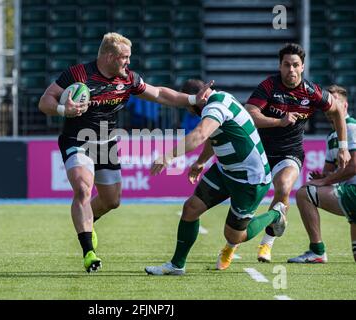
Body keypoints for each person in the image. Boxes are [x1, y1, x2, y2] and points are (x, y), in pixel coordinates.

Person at [38, 32, 212, 273]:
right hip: (77, 140)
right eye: (125, 57)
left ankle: (88, 223)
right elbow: (44, 100)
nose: (128, 62)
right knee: (83, 189)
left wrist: (193, 97)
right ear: (110, 57)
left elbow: (160, 93)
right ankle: (89, 251)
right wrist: (61, 109)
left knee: (112, 201)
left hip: (106, 143)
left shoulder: (128, 79)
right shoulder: (78, 74)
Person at [145, 85, 287, 275]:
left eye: (191, 105)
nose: (191, 110)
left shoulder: (216, 106)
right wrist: (201, 161)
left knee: (234, 236)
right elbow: (214, 136)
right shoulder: (217, 102)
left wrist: (169, 156)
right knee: (191, 208)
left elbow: (200, 134)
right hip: (225, 170)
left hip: (250, 179)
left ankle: (275, 214)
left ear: (200, 97)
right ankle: (177, 265)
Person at [244, 43, 351, 263]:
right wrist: (278, 121)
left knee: (284, 187)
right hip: (261, 152)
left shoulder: (311, 91)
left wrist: (342, 146)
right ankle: (232, 243)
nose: (291, 69)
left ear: (302, 67)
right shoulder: (269, 86)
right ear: (280, 66)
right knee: (248, 198)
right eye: (286, 65)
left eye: (295, 65)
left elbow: (337, 110)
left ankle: (266, 244)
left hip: (290, 153)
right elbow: (250, 114)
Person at [289, 85, 356, 263]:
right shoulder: (332, 136)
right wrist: (322, 178)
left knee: (304, 194)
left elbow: (353, 167)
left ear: (345, 106)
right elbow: (329, 171)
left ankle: (317, 251)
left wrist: (325, 180)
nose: (330, 107)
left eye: (336, 102)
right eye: (329, 102)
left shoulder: (351, 128)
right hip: (349, 193)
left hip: (353, 192)